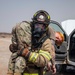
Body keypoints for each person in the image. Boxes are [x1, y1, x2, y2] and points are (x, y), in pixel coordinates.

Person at [7, 10, 56, 75]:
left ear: (46, 27)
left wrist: (27, 54)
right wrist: (16, 47)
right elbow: (16, 53)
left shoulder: (46, 42)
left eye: (42, 26)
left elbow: (43, 61)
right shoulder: (27, 37)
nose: (39, 28)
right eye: (37, 25)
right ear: (33, 24)